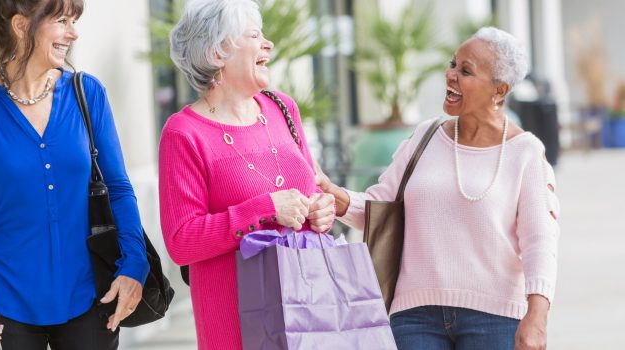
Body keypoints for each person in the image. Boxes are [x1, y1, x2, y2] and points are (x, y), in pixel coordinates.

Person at [316, 27, 559, 350]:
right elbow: (379, 207)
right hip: (414, 316)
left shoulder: (525, 152)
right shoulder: (425, 137)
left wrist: (537, 317)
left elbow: (539, 241)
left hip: (495, 317)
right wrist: (330, 191)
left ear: (499, 90)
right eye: (453, 64)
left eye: (466, 70)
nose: (451, 75)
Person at [0, 0, 148, 348]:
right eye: (62, 21)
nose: (73, 32)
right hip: (7, 301)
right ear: (22, 26)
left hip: (89, 292)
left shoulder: (87, 94)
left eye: (74, 20)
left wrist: (134, 263)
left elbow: (118, 188)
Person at [159, 0, 336, 348]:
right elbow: (181, 241)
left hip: (308, 310)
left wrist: (321, 211)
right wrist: (265, 209)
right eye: (254, 35)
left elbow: (311, 188)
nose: (268, 44)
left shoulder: (282, 107)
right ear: (217, 53)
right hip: (236, 324)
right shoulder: (184, 133)